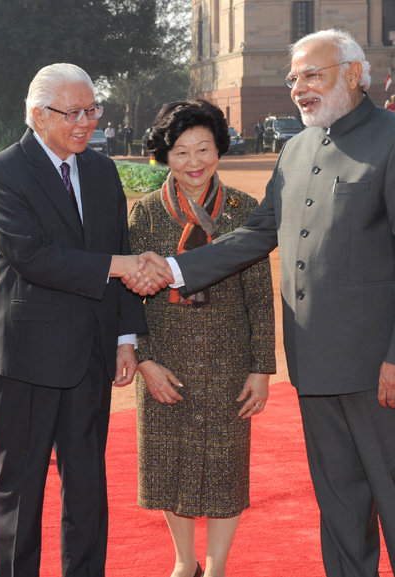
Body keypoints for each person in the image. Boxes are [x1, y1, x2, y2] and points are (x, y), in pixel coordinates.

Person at [128, 29, 395, 577]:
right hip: (317, 365)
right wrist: (177, 270)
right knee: (340, 505)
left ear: (352, 73)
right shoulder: (298, 148)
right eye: (292, 79)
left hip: (382, 367)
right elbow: (257, 234)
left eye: (311, 75)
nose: (298, 88)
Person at [0, 62, 163, 577]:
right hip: (25, 357)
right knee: (21, 488)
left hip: (92, 354)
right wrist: (121, 267)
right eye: (73, 113)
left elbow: (116, 246)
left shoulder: (101, 171)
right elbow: (32, 256)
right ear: (37, 115)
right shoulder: (1, 172)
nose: (86, 123)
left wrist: (127, 338)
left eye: (92, 111)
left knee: (87, 483)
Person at [129, 99, 276, 577]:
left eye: (204, 149)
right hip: (164, 358)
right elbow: (128, 298)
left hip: (228, 357)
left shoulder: (245, 210)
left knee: (225, 468)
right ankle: (182, 561)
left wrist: (261, 369)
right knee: (168, 463)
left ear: (219, 150)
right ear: (164, 156)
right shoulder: (146, 215)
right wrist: (145, 361)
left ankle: (215, 568)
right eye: (180, 152)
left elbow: (259, 296)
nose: (194, 163)